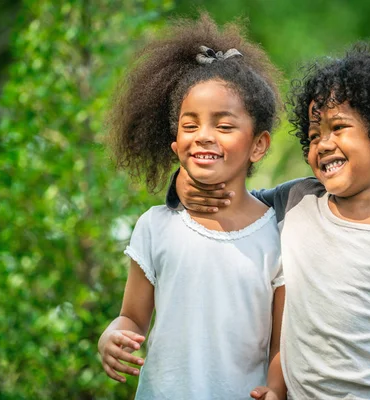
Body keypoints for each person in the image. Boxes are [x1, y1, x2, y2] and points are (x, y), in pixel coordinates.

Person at [172, 43, 370, 400]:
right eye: (314, 135)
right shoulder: (298, 200)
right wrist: (181, 183)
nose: (323, 144)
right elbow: (228, 199)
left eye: (338, 127)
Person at [97, 14, 287, 400]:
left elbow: (280, 345)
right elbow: (132, 315)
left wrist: (276, 389)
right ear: (174, 143)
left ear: (259, 144)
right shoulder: (155, 225)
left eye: (224, 125)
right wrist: (112, 334)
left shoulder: (278, 234)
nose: (204, 136)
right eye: (190, 124)